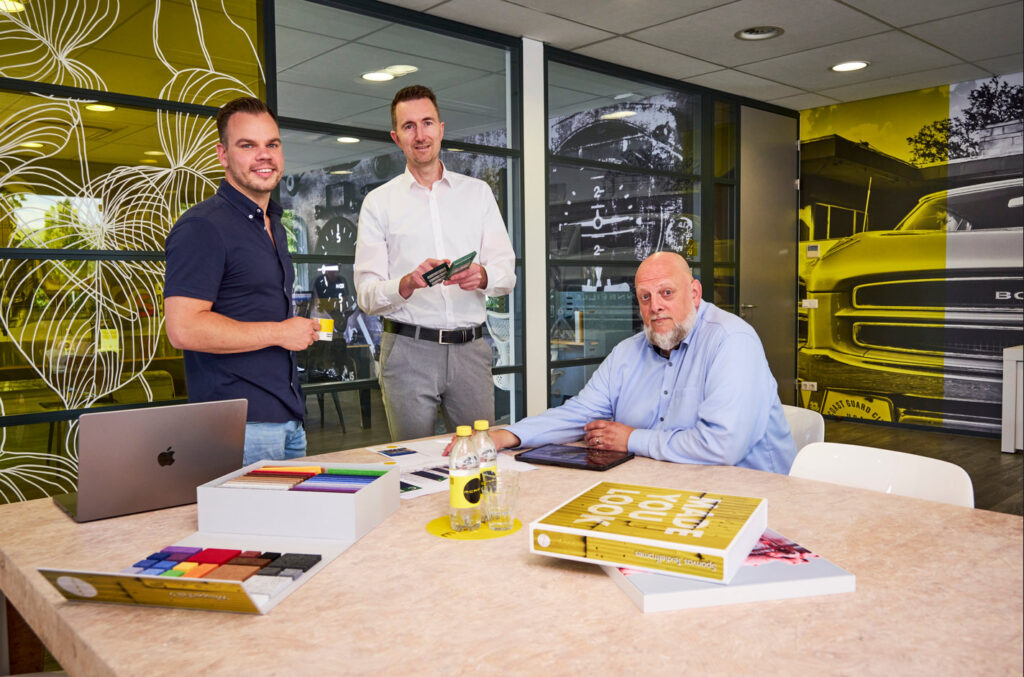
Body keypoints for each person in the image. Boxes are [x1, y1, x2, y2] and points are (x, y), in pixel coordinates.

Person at [478, 251, 797, 474]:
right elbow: (582, 413)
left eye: (667, 293)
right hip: (665, 489)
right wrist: (510, 435)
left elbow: (722, 447)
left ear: (695, 294)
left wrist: (630, 439)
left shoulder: (731, 341)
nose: (655, 306)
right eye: (645, 297)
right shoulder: (628, 352)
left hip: (754, 500)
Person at [354, 85, 516, 441]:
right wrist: (407, 283)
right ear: (396, 138)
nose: (420, 134)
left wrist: (484, 275)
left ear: (441, 128)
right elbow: (366, 295)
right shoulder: (379, 203)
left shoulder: (477, 194)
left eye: (427, 122)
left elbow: (506, 272)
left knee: (479, 459)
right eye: (409, 126)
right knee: (413, 464)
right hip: (408, 351)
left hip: (471, 350)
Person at [164, 96, 320, 465]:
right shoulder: (203, 226)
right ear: (223, 155)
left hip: (287, 418)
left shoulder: (273, 225)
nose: (263, 155)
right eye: (247, 145)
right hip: (239, 427)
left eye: (272, 144)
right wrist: (281, 332)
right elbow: (183, 329)